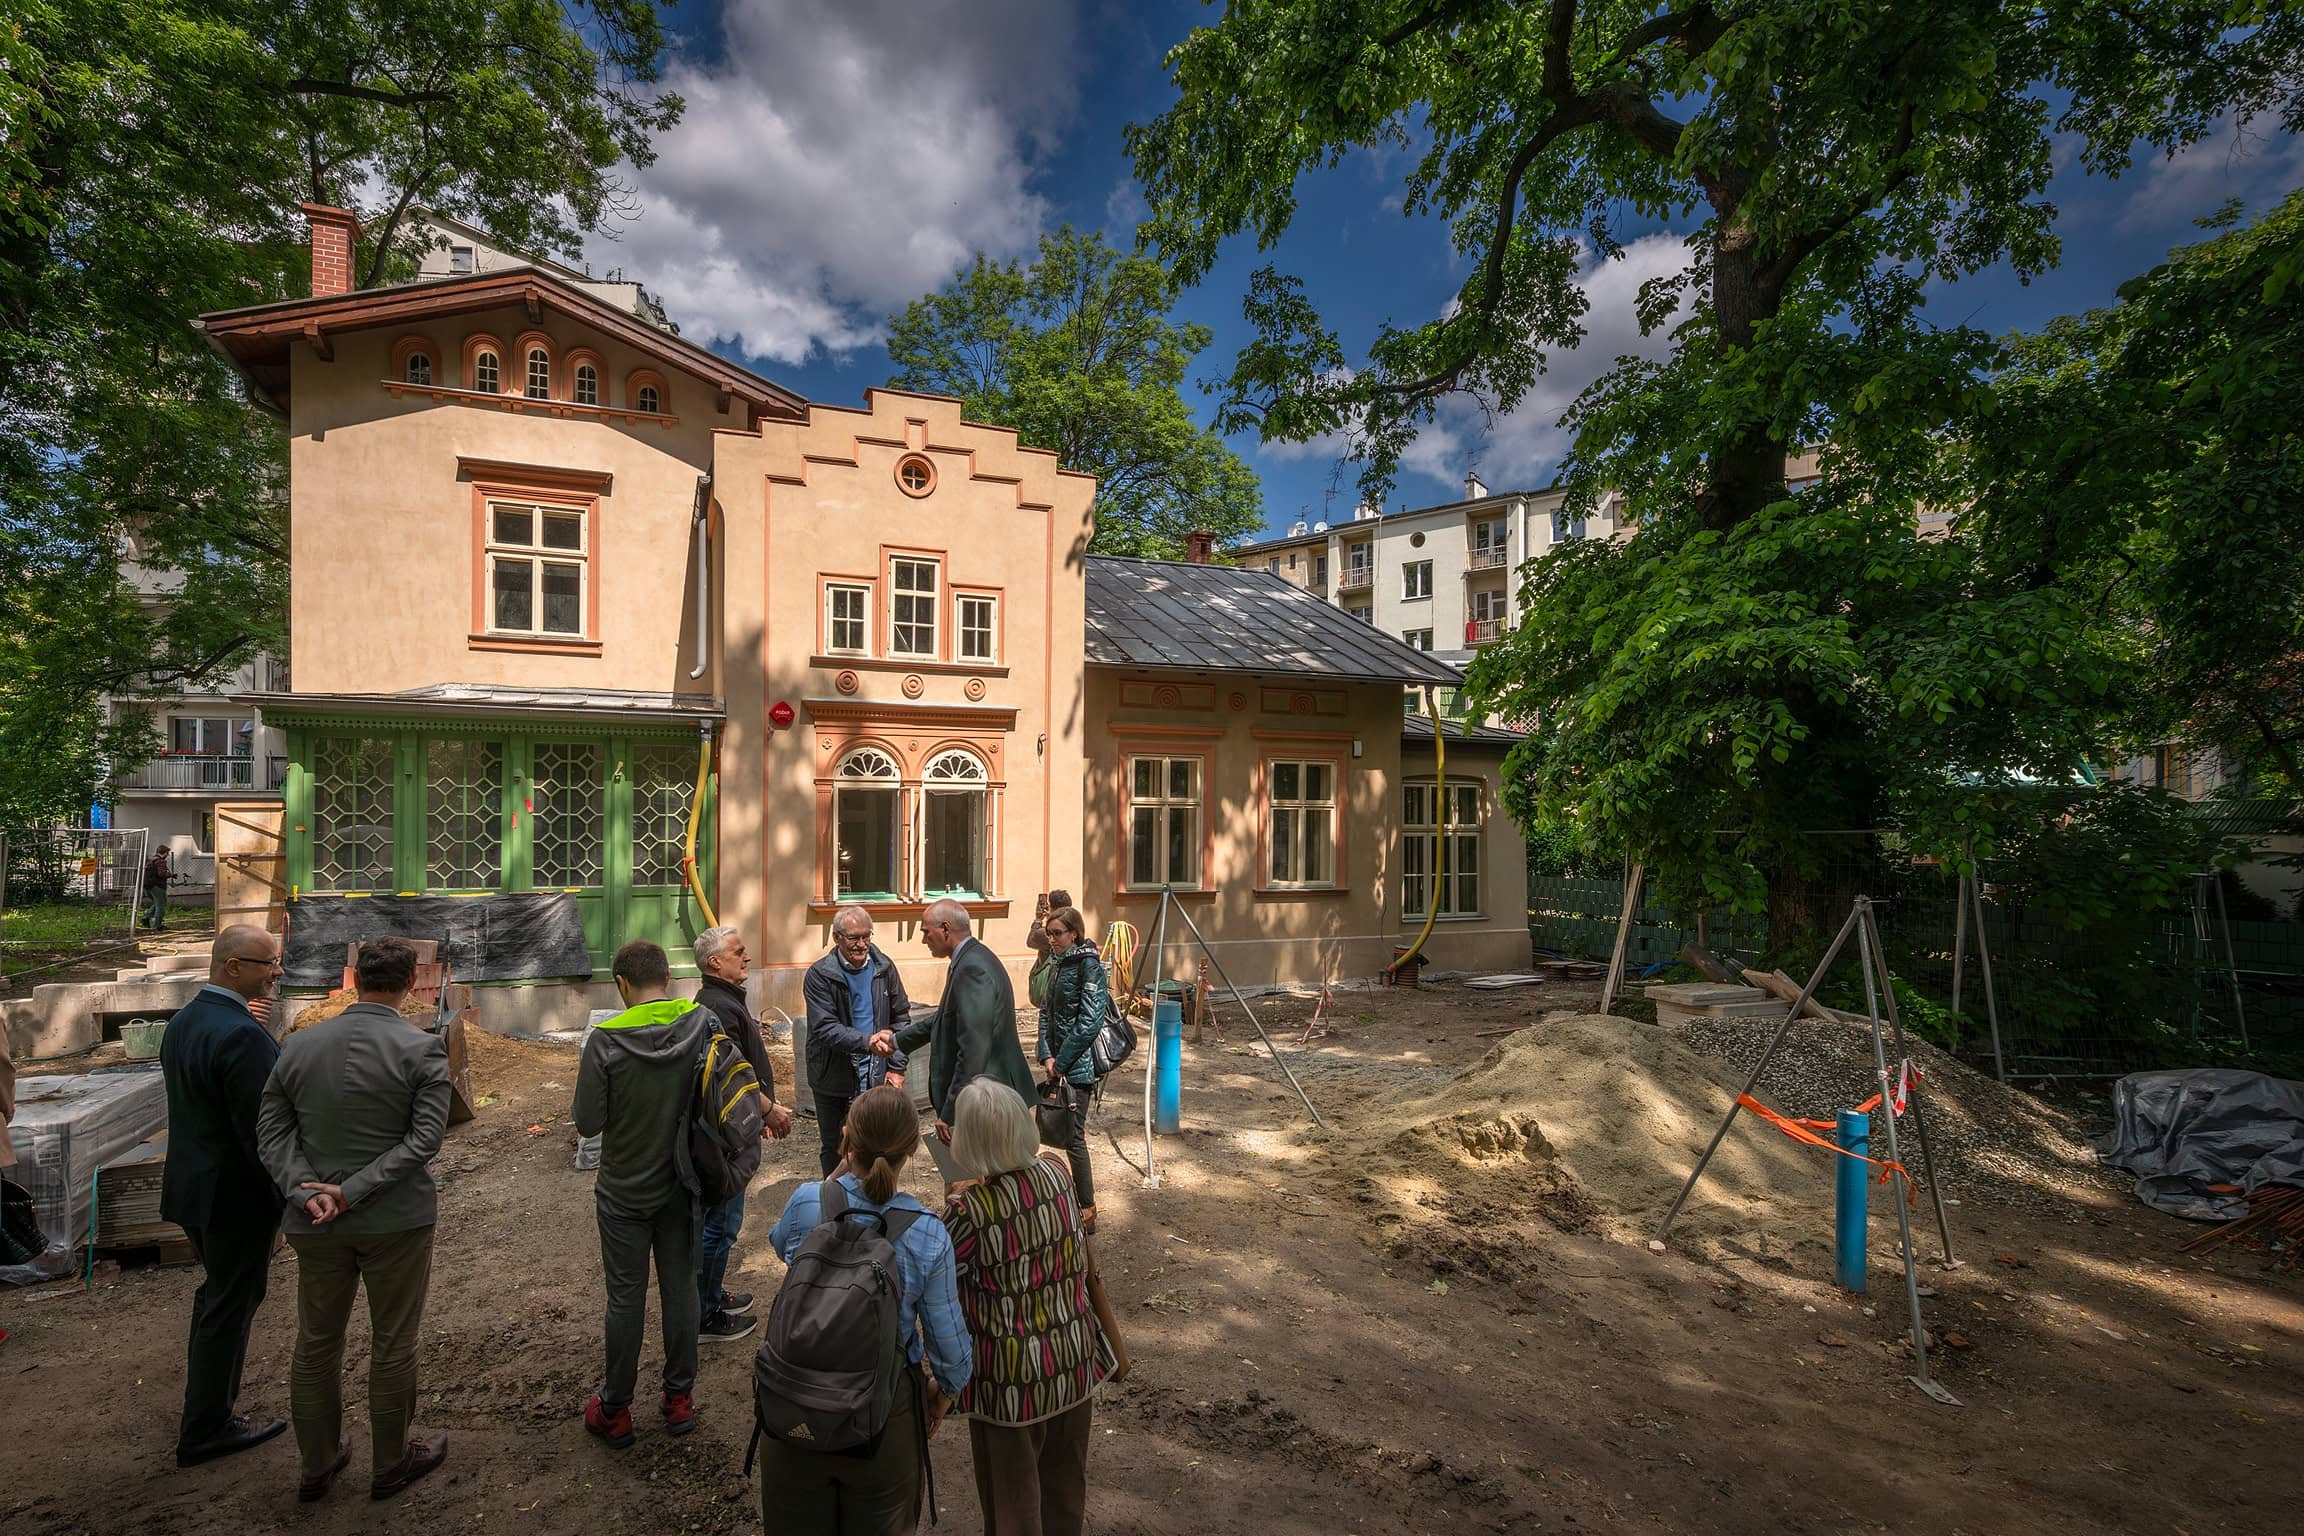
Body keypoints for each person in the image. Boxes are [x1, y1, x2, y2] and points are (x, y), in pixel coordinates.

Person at [256, 936, 452, 1502]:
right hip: (395, 1218)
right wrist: (356, 1189)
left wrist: (304, 1189)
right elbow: (424, 1140)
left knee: (316, 1342)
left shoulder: (297, 1046)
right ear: (411, 983)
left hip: (314, 1220)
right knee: (394, 1341)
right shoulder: (422, 1048)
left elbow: (271, 1130)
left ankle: (316, 1463)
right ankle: (390, 1461)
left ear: (354, 979)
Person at [761, 1085, 971, 1535]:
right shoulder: (928, 1233)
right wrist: (944, 1392)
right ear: (911, 1151)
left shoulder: (807, 1202)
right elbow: (951, 1352)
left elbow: (781, 1245)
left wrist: (837, 1176)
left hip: (793, 1409)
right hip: (881, 1416)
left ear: (846, 1138)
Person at [943, 1080, 1112, 1536]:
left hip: (1010, 1384)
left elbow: (933, 1275)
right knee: (1065, 1493)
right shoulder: (1058, 1173)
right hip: (1074, 1361)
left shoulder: (968, 1212)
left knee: (1013, 1508)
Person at [575, 940, 713, 1448]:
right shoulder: (701, 1024)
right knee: (681, 1291)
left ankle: (615, 1408)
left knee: (625, 1299)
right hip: (683, 1184)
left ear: (621, 984)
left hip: (623, 1192)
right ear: (668, 978)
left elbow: (588, 1121)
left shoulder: (605, 1041)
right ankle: (679, 1398)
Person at [159, 924, 288, 1467]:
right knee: (230, 1303)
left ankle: (209, 1410)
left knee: (219, 1296)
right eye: (268, 963)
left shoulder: (185, 1021)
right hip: (234, 1196)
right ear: (233, 967)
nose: (277, 972)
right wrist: (290, 1192)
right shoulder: (239, 1035)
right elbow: (261, 1130)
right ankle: (207, 1426)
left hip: (192, 1187)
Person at [876, 899, 1035, 1184]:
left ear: (945, 928)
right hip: (989, 1092)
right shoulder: (971, 958)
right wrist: (898, 1039)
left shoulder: (972, 968)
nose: (923, 940)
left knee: (978, 1184)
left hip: (989, 1099)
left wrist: (953, 1111)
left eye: (926, 932)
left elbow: (973, 1046)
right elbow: (947, 1020)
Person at [689, 924, 794, 1345]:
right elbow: (731, 1078)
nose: (746, 957)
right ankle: (705, 1315)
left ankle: (711, 1294)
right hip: (726, 1142)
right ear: (715, 962)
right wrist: (767, 1111)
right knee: (720, 1226)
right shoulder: (716, 1007)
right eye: (738, 952)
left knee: (721, 1223)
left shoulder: (724, 1000)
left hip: (733, 1135)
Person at [804, 907, 913, 1178]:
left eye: (867, 936)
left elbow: (901, 1018)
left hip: (875, 1075)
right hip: (833, 1076)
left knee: (875, 1145)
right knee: (835, 1146)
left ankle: (872, 1195)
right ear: (836, 937)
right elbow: (824, 1028)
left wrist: (896, 1067)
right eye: (854, 938)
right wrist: (867, 1042)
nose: (862, 944)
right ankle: (833, 1198)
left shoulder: (884, 968)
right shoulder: (820, 974)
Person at [1032, 907, 1106, 1230]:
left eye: (1057, 933)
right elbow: (1045, 1013)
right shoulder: (1057, 963)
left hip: (1078, 1067)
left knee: (1074, 1138)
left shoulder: (1088, 965)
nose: (1051, 939)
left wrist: (1061, 1062)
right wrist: (1046, 1055)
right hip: (1056, 1064)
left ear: (1074, 933)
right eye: (1049, 934)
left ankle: (1087, 1208)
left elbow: (1090, 1021)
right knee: (1048, 1130)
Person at [1023, 889, 1073, 1010]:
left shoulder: (1049, 933)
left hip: (1051, 989)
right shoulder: (1073, 930)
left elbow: (1031, 940)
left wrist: (1038, 919)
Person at [143, 843, 172, 931]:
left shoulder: (151, 860)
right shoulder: (160, 861)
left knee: (158, 903)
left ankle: (146, 918)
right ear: (164, 853)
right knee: (160, 906)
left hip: (147, 886)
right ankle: (158, 925)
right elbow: (161, 874)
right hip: (157, 886)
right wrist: (170, 875)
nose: (168, 855)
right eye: (167, 853)